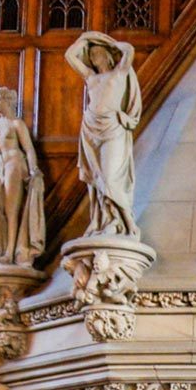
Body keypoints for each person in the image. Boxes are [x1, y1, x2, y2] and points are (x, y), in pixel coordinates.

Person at [65, 31, 142, 239]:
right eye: (91, 57)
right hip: (91, 129)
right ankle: (107, 220)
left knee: (108, 177)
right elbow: (70, 56)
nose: (93, 59)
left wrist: (111, 44)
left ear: (106, 55)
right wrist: (85, 38)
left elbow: (129, 50)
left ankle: (126, 221)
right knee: (97, 179)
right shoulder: (91, 78)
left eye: (97, 54)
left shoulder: (119, 73)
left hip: (113, 128)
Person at [0, 86, 44, 266]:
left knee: (11, 209)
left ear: (7, 101)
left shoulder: (17, 124)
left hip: (14, 163)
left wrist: (33, 169)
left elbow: (29, 149)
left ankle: (9, 252)